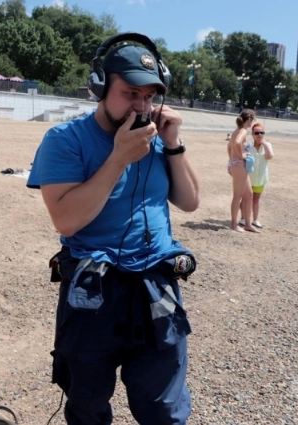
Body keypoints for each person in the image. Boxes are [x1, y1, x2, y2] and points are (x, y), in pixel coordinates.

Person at [27, 37, 200, 424]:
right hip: (94, 291)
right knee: (87, 403)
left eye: (150, 96)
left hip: (156, 286)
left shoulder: (157, 138)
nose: (141, 106)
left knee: (164, 408)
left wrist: (173, 145)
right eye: (130, 93)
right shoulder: (64, 140)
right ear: (101, 86)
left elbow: (190, 202)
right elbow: (67, 220)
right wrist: (119, 158)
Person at [227, 109, 260, 233]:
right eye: (252, 120)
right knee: (238, 196)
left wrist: (231, 159)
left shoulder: (237, 130)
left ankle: (247, 224)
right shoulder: (243, 131)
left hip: (237, 164)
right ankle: (234, 224)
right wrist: (241, 156)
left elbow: (229, 146)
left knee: (249, 195)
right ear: (249, 119)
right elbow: (236, 143)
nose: (252, 123)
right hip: (239, 165)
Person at [239, 123, 274, 229]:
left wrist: (265, 145)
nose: (259, 135)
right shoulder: (248, 146)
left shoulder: (267, 145)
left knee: (256, 199)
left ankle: (255, 219)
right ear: (252, 134)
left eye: (261, 133)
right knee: (245, 198)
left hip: (261, 177)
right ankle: (243, 218)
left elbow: (269, 156)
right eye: (257, 133)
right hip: (249, 177)